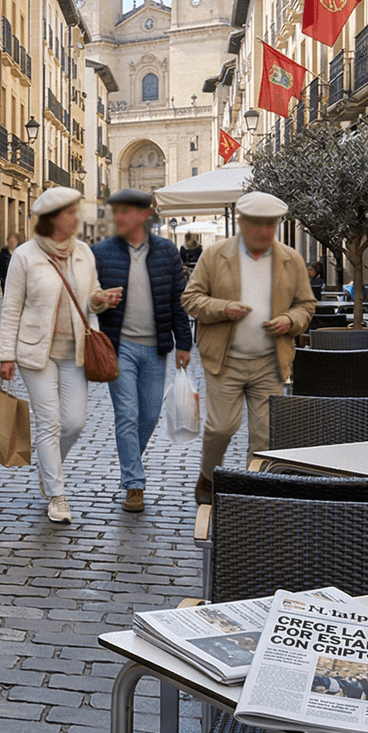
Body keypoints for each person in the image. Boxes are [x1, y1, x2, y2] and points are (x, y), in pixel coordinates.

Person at [181, 191, 316, 505]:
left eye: (270, 224)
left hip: (270, 360)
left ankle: (251, 490)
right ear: (241, 223)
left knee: (265, 434)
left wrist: (289, 320)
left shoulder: (291, 259)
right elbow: (190, 299)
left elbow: (306, 305)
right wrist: (223, 308)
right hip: (224, 359)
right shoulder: (215, 255)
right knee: (221, 428)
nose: (264, 231)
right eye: (257, 224)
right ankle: (208, 475)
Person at [0, 187, 112, 524]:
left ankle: (48, 471)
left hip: (75, 350)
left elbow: (90, 296)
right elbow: (11, 308)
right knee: (49, 421)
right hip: (36, 354)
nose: (77, 218)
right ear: (52, 219)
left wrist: (102, 299)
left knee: (74, 422)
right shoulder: (25, 255)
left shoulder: (84, 253)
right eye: (70, 213)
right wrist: (6, 355)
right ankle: (57, 495)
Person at [91, 189, 193, 513]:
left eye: (124, 212)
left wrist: (184, 344)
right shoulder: (101, 252)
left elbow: (178, 299)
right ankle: (134, 483)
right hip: (117, 347)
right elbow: (87, 295)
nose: (117, 217)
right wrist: (99, 299)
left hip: (156, 349)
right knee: (128, 414)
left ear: (145, 214)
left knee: (149, 414)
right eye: (115, 211)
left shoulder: (166, 252)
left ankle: (130, 459)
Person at [0, 232, 19, 296]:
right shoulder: (4, 251)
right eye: (11, 240)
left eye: (14, 240)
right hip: (5, 278)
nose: (12, 242)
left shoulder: (20, 251)